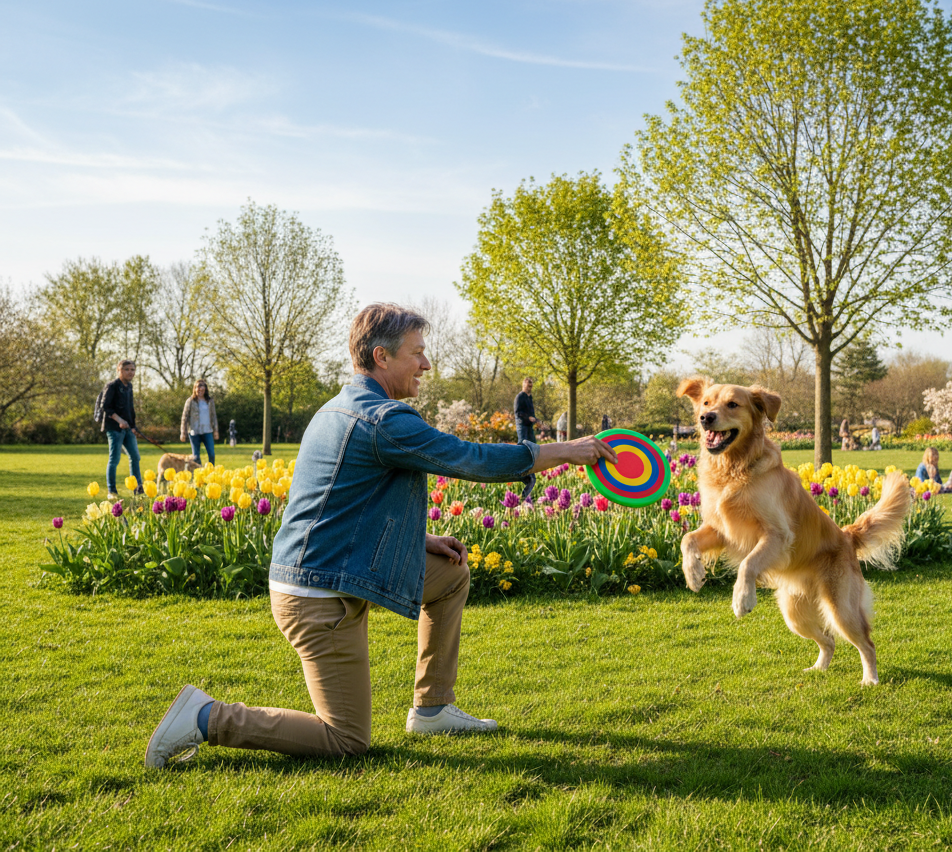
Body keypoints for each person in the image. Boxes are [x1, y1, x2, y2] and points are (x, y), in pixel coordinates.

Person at [145, 303, 616, 768]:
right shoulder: (383, 419)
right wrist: (566, 450)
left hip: (337, 567)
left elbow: (342, 502)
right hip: (318, 593)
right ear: (381, 357)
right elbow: (470, 459)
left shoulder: (342, 406)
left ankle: (432, 709)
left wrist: (421, 540)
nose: (427, 364)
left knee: (449, 575)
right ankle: (206, 717)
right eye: (417, 353)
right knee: (346, 739)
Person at [99, 360, 143, 498]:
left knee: (135, 457)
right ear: (119, 370)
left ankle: (138, 488)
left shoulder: (129, 387)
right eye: (127, 369)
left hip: (128, 429)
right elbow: (105, 406)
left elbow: (130, 409)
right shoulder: (112, 386)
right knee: (114, 459)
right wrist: (119, 420)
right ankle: (111, 491)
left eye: (133, 370)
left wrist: (133, 426)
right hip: (114, 428)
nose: (131, 372)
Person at [180, 379, 218, 465]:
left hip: (207, 431)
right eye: (197, 388)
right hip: (194, 432)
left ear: (205, 389)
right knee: (196, 457)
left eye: (202, 388)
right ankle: (199, 473)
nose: (199, 390)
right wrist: (183, 432)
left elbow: (213, 416)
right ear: (194, 389)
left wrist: (216, 430)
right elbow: (184, 418)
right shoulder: (190, 401)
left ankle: (211, 473)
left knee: (211, 454)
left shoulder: (210, 401)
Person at [513, 377, 538, 501]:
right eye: (528, 386)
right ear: (523, 385)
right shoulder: (520, 397)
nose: (530, 388)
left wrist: (535, 419)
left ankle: (531, 466)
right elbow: (518, 413)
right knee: (523, 445)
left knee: (534, 446)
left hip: (529, 426)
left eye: (531, 386)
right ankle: (520, 466)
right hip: (522, 425)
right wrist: (529, 418)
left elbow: (531, 412)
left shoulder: (529, 397)